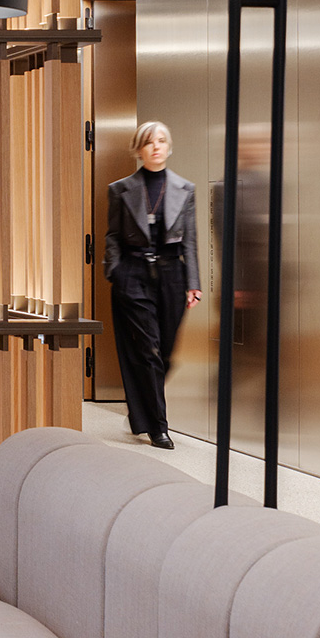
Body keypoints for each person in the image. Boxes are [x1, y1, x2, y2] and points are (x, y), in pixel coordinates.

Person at [104, 121, 200, 449]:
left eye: (161, 141)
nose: (156, 146)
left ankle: (141, 412)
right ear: (139, 149)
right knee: (149, 349)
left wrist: (194, 283)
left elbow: (190, 240)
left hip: (172, 275)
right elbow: (113, 236)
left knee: (167, 352)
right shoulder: (121, 189)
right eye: (149, 142)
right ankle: (159, 426)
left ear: (169, 147)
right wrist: (114, 271)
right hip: (133, 274)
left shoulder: (185, 189)